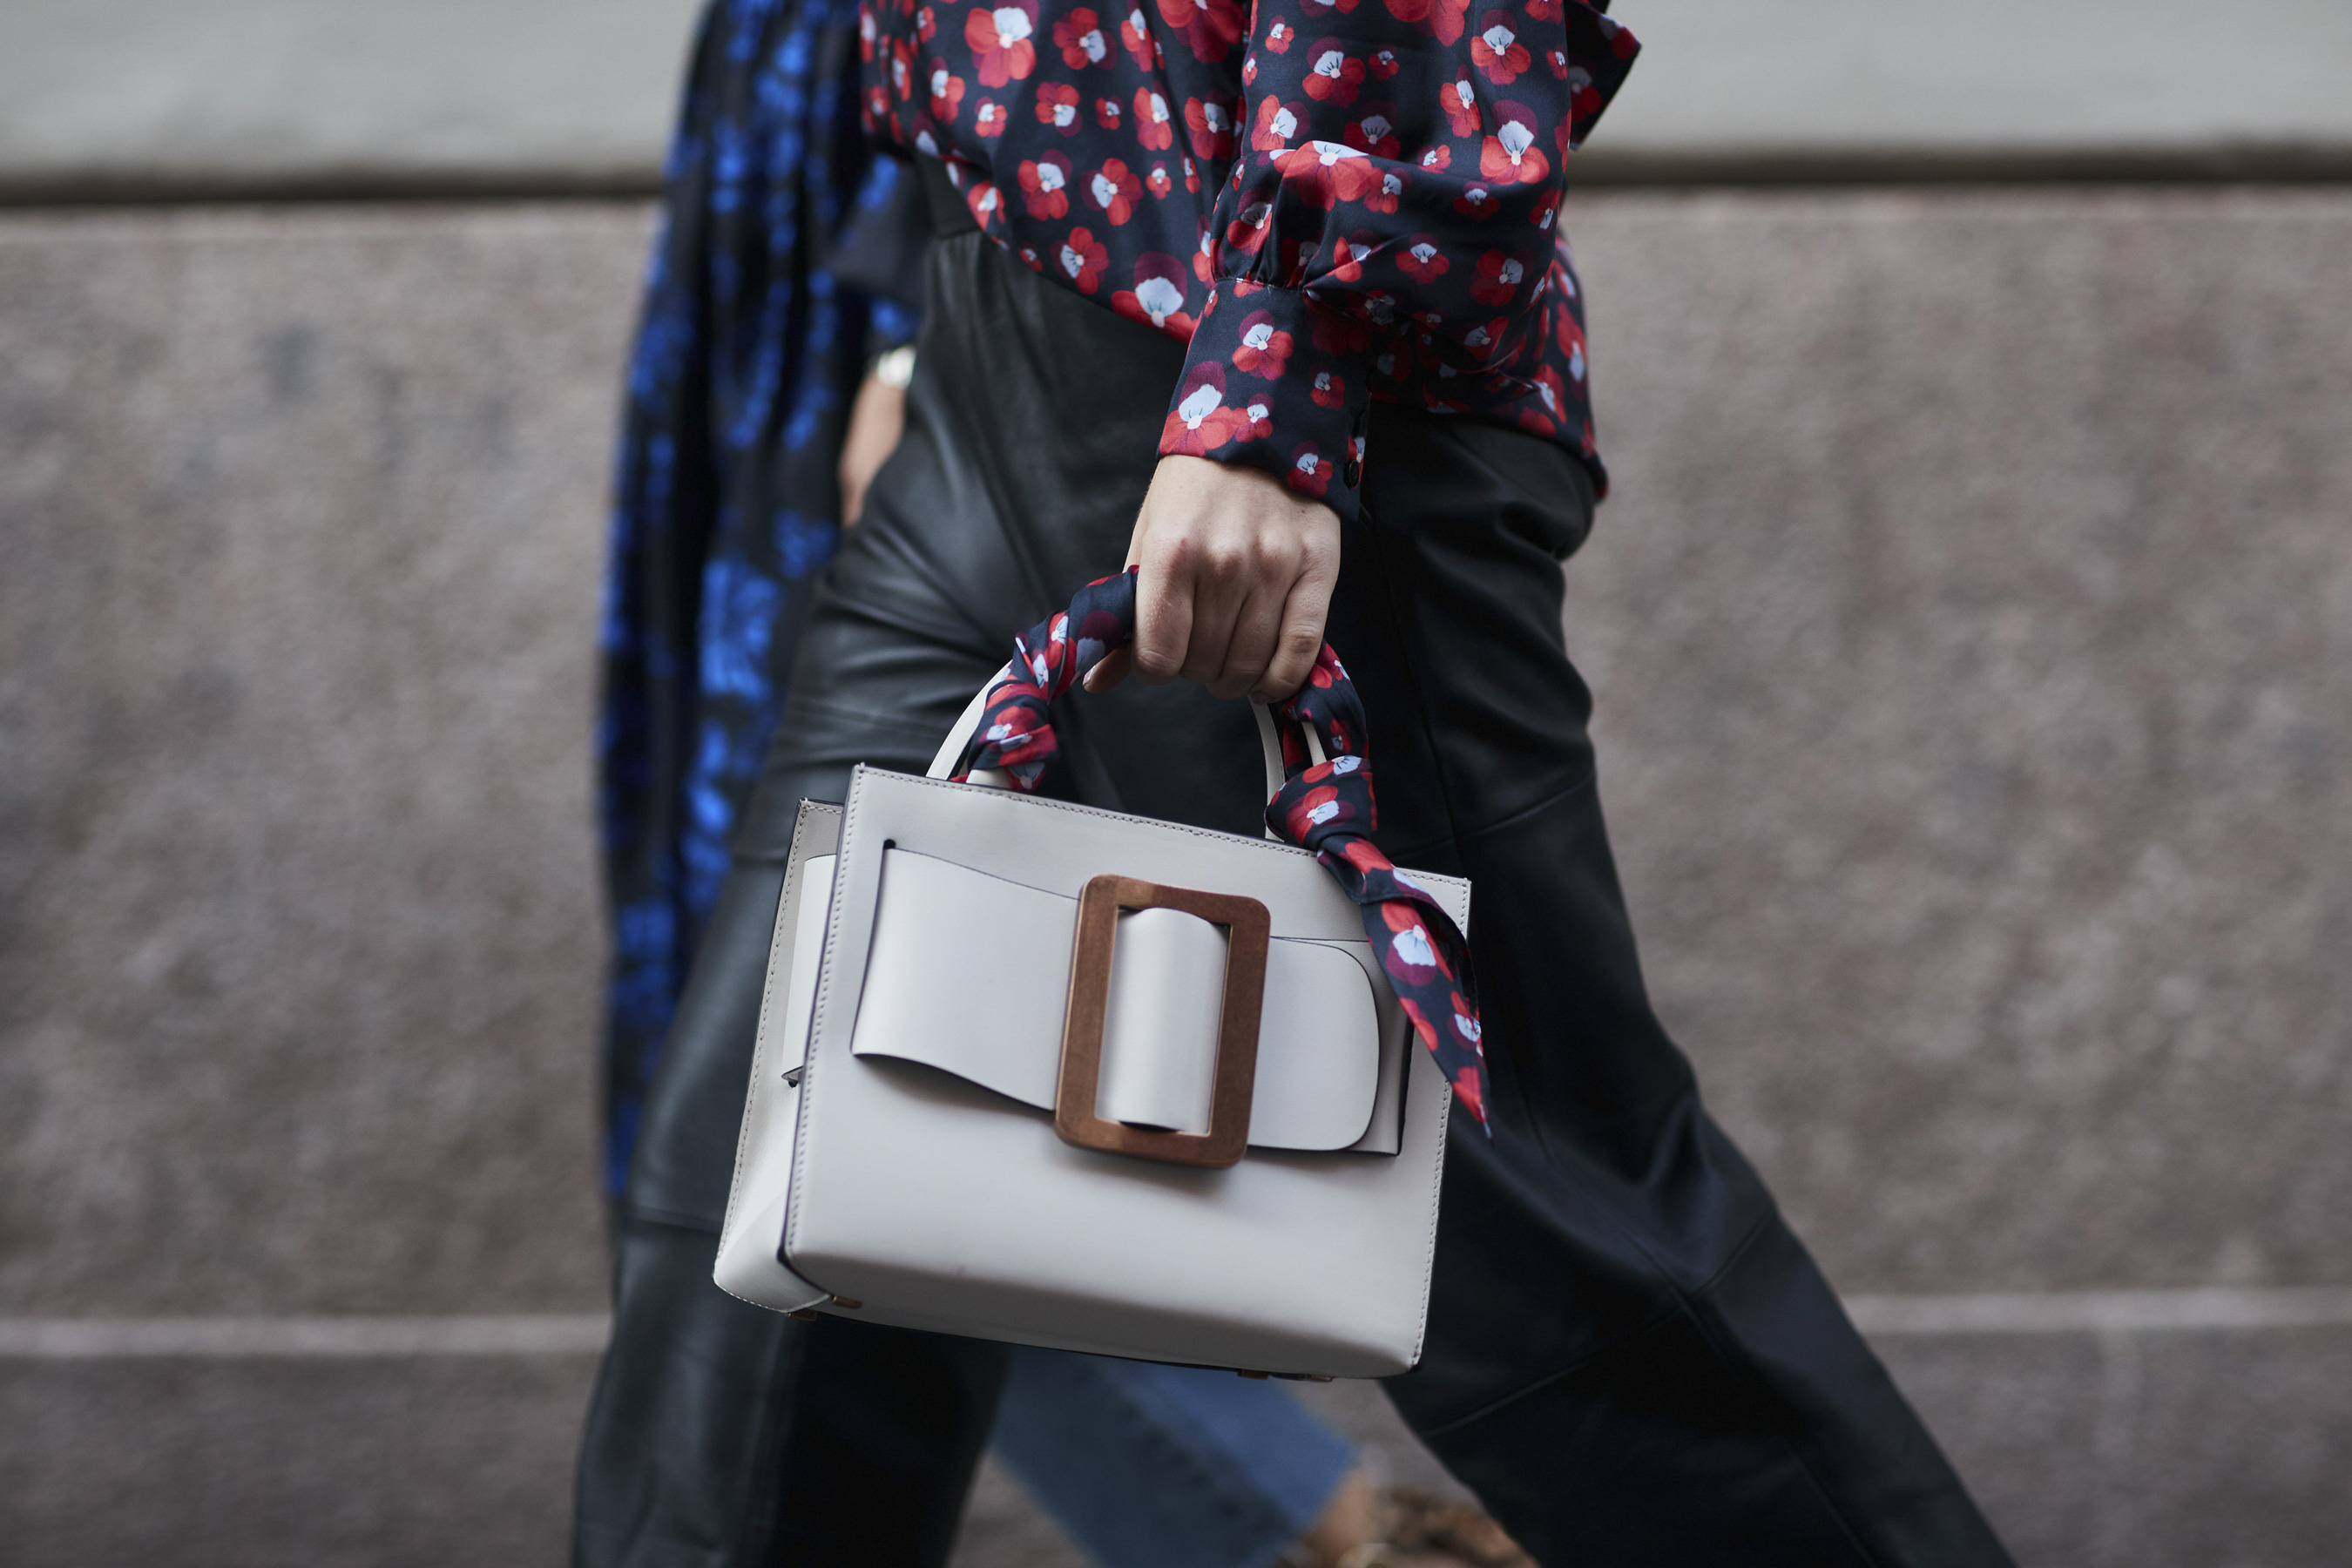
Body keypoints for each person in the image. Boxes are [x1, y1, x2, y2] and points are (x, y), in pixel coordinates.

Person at [598, 0, 2024, 1558]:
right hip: (980, 351)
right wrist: (910, 318)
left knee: (1547, 1249)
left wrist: (1276, 376)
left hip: (1239, 372)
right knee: (769, 1204)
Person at [578, 3, 1490, 1565]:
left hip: (1029, 266)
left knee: (875, 1049)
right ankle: (1308, 1525)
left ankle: (1313, 1527)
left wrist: (913, 333)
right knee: (832, 1061)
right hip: (871, 221)